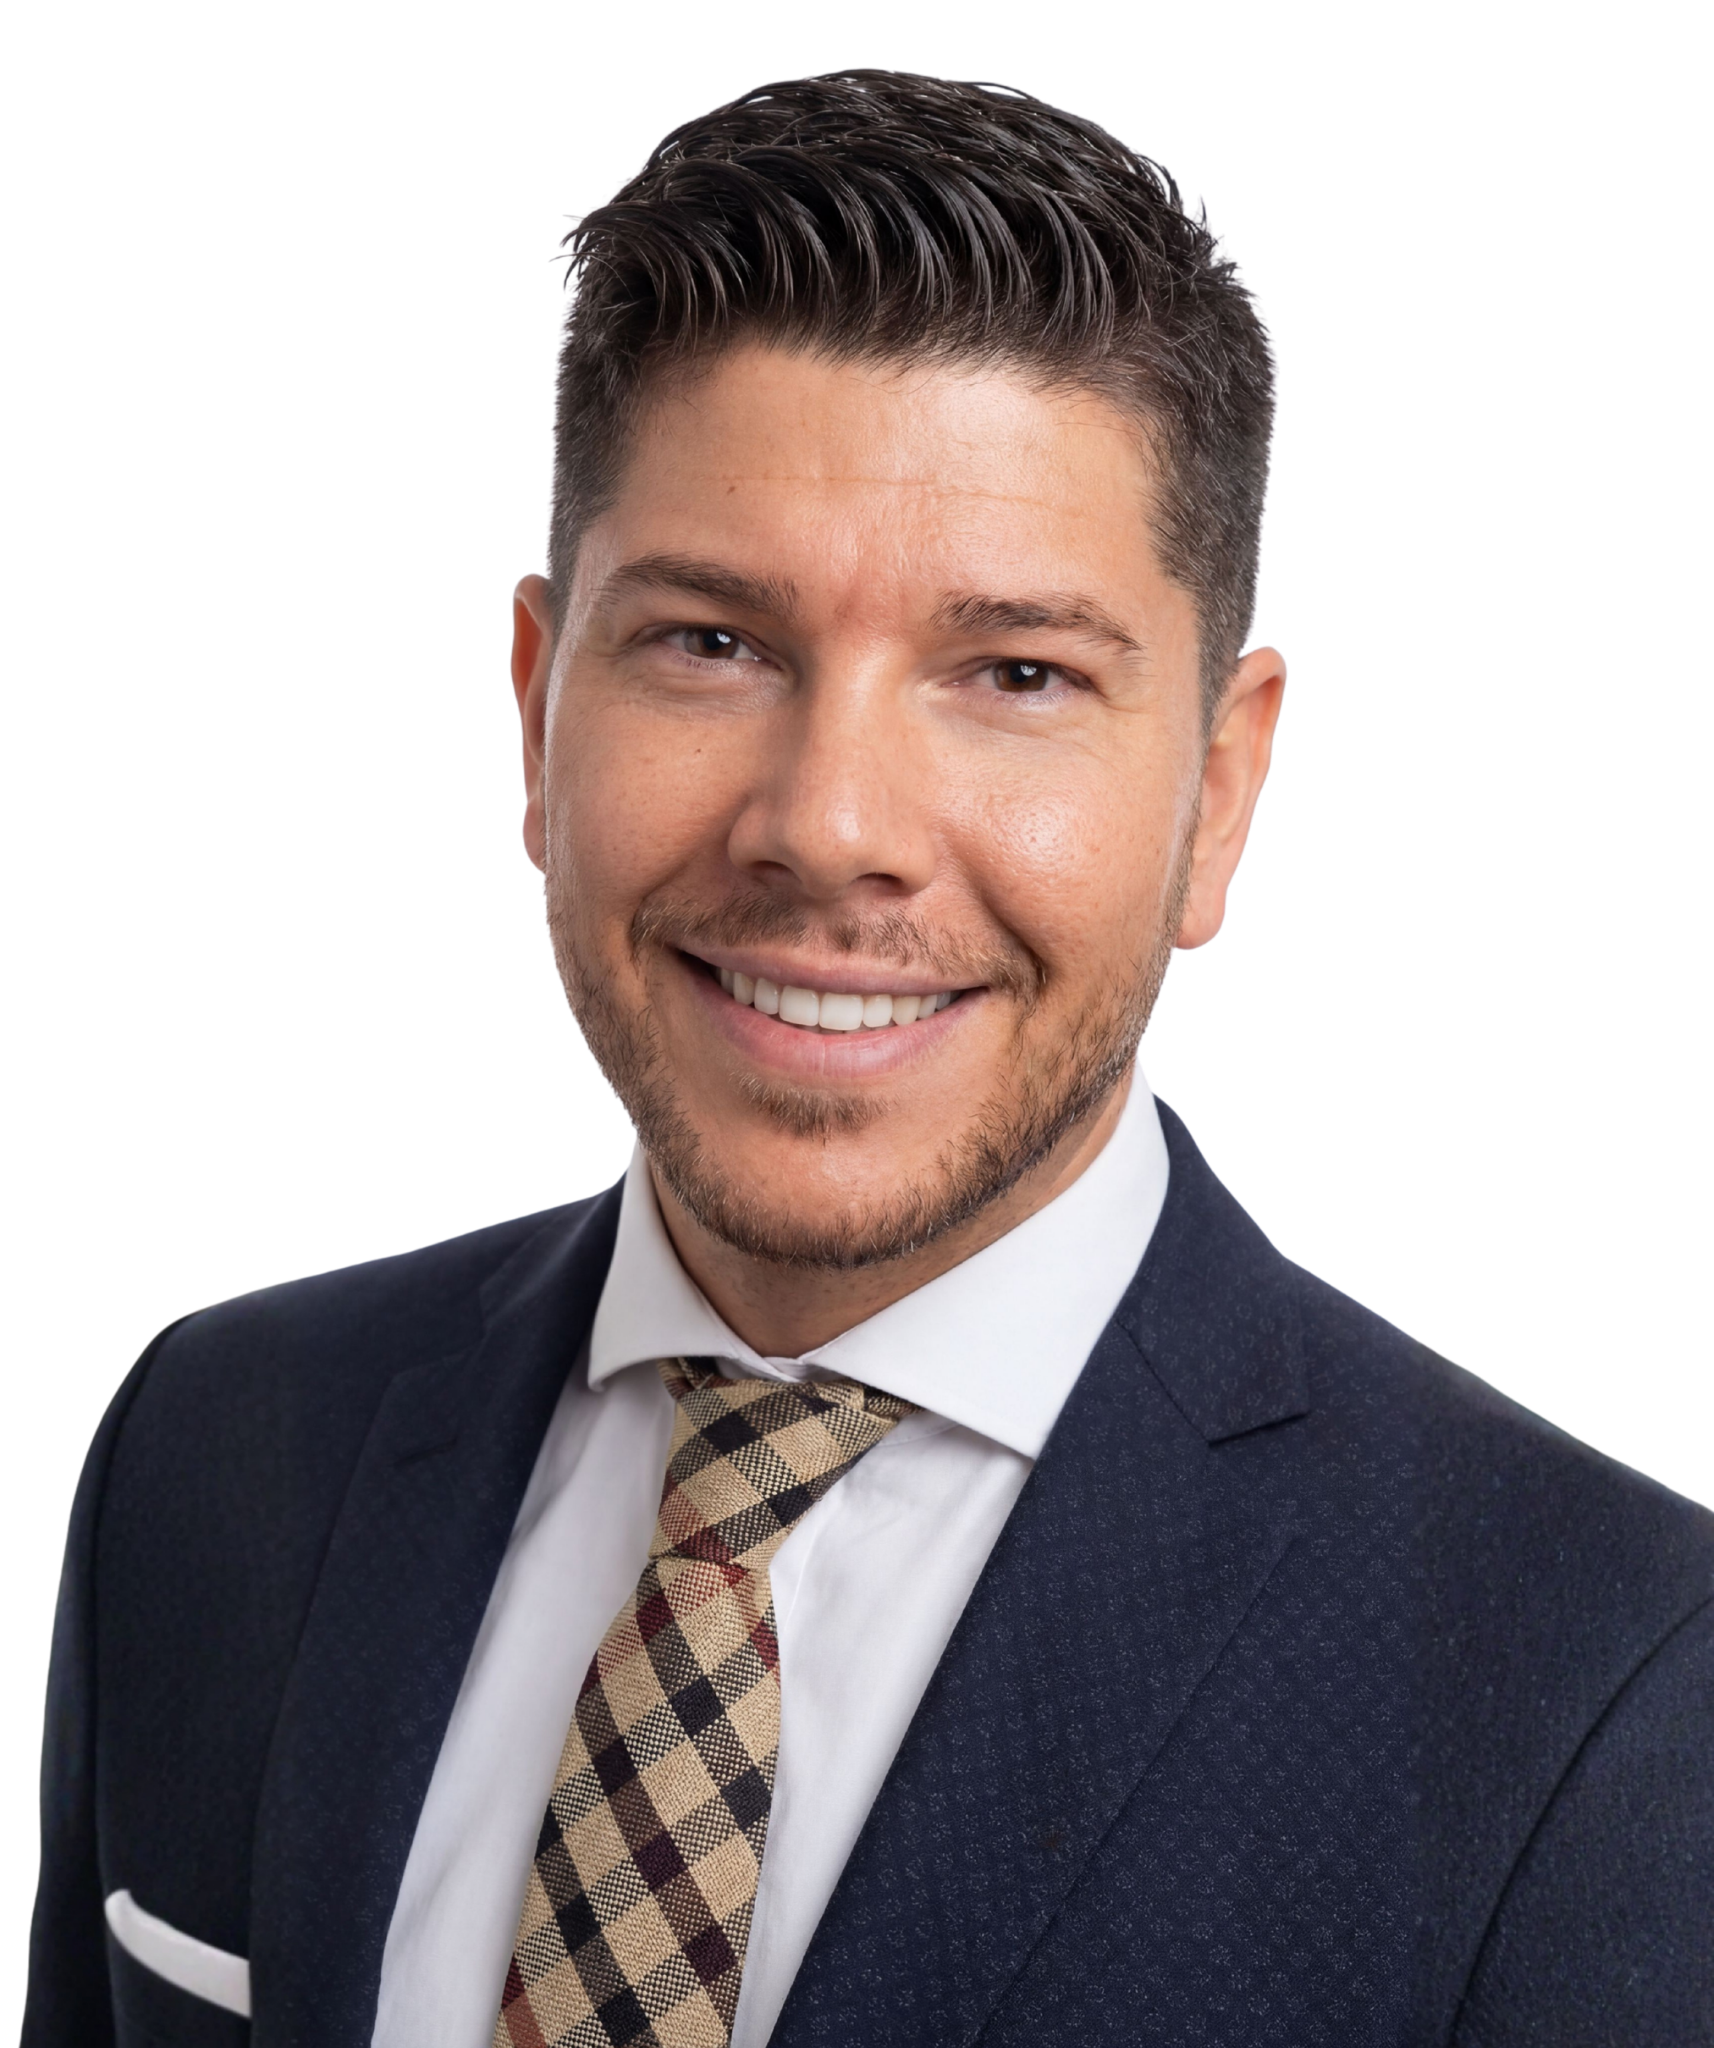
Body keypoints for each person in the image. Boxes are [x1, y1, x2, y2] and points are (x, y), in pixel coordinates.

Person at [27, 68, 1711, 2048]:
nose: (827, 827)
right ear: (536, 712)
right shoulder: (216, 1448)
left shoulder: (1611, 1678)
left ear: (1220, 792)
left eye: (1015, 673)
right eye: (709, 644)